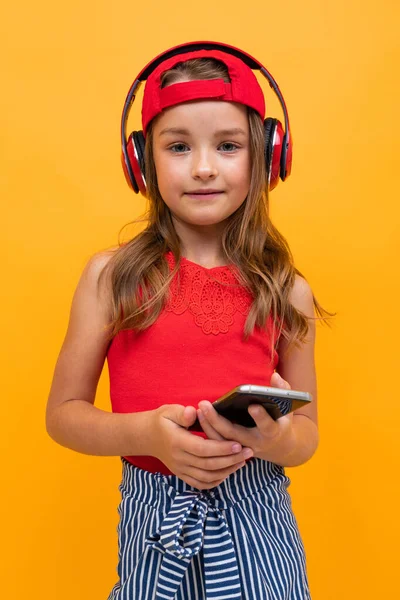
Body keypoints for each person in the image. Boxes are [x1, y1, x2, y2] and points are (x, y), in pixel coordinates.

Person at [46, 41, 333, 600]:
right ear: (142, 161)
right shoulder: (111, 277)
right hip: (153, 527)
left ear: (267, 155)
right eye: (178, 147)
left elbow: (308, 436)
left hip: (261, 528)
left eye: (228, 146)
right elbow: (62, 416)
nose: (203, 167)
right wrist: (146, 434)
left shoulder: (287, 292)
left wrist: (276, 439)